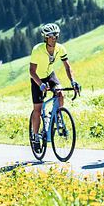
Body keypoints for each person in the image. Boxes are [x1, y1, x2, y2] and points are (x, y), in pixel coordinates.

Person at [29, 22, 80, 151]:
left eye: (56, 35)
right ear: (45, 37)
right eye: (51, 36)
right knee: (38, 109)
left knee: (60, 93)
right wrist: (40, 84)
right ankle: (35, 136)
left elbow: (67, 67)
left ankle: (58, 115)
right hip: (37, 78)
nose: (54, 38)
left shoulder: (60, 49)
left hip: (50, 75)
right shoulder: (37, 50)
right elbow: (32, 71)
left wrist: (73, 81)